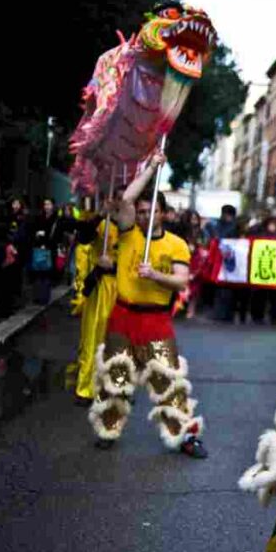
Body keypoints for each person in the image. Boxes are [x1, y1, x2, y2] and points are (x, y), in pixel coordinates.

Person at [87, 152, 207, 458]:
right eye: (140, 211)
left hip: (156, 321)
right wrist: (152, 167)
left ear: (164, 213)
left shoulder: (177, 244)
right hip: (123, 316)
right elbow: (123, 201)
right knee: (114, 377)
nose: (143, 215)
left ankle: (184, 436)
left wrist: (154, 275)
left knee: (168, 380)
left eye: (151, 210)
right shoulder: (129, 235)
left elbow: (181, 281)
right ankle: (108, 429)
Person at [72, 190, 122, 406]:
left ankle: (116, 388)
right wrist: (101, 215)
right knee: (93, 337)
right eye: (115, 198)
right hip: (99, 288)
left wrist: (115, 266)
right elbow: (83, 236)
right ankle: (86, 388)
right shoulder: (99, 222)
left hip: (123, 289)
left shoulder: (135, 229)